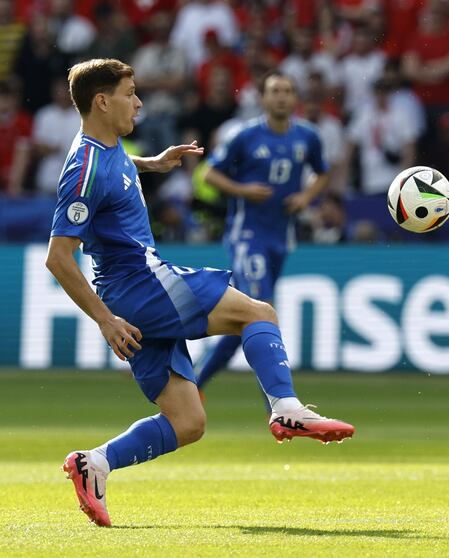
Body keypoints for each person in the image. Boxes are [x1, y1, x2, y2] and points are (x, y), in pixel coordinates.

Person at [49, 59, 353, 528]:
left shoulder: (105, 148)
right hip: (139, 285)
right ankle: (286, 409)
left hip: (132, 294)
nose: (139, 102)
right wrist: (104, 319)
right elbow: (58, 257)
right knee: (258, 312)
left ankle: (95, 465)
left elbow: (110, 169)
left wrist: (150, 163)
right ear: (102, 101)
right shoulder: (84, 167)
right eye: (131, 93)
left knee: (188, 422)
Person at [193, 72, 332, 399]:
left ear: (295, 98)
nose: (281, 97)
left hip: (281, 238)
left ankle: (194, 382)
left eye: (287, 91)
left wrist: (306, 198)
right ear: (264, 99)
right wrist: (241, 189)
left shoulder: (308, 137)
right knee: (262, 309)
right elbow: (208, 173)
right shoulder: (245, 135)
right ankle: (279, 402)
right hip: (248, 236)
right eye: (275, 91)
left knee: (244, 321)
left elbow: (324, 172)